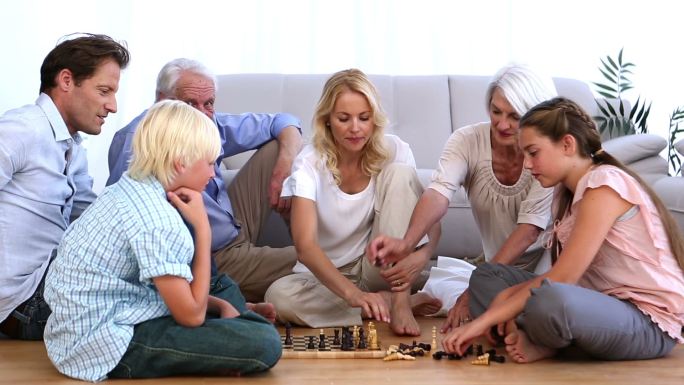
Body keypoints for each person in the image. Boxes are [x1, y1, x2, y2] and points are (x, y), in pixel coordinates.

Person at [44, 100, 281, 381]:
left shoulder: (133, 186)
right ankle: (230, 332)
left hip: (93, 322)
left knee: (222, 286)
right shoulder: (157, 220)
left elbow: (152, 288)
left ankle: (231, 321)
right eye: (208, 163)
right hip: (107, 343)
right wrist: (203, 231)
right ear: (180, 162)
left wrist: (219, 305)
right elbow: (191, 317)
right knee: (265, 342)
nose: (212, 173)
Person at [442, 97, 684, 363]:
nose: (527, 165)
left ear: (567, 144)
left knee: (552, 300)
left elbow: (563, 277)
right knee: (486, 276)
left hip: (646, 322)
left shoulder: (604, 185)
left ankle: (543, 338)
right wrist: (503, 299)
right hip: (595, 304)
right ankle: (536, 333)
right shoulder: (563, 192)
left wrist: (484, 319)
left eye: (533, 153)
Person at [367, 64, 558, 332]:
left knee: (528, 310)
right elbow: (438, 193)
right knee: (460, 295)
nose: (502, 124)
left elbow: (528, 231)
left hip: (543, 266)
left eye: (514, 116)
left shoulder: (546, 154)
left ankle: (466, 296)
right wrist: (406, 242)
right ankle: (415, 300)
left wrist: (475, 290)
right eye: (496, 111)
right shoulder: (467, 141)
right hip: (493, 269)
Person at [107, 58, 303, 302]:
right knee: (319, 259)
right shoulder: (136, 143)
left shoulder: (208, 122)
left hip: (231, 224)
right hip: (209, 255)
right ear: (162, 100)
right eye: (190, 104)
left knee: (279, 145)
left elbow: (282, 121)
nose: (201, 114)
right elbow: (125, 225)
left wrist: (284, 167)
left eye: (208, 103)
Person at [264, 69, 441, 336]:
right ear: (327, 121)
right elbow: (306, 247)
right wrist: (354, 296)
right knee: (279, 297)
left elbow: (431, 225)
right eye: (344, 118)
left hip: (379, 268)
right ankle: (384, 303)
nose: (355, 128)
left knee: (399, 173)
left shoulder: (396, 150)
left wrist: (424, 255)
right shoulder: (309, 162)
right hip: (327, 278)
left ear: (374, 120)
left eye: (364, 118)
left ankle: (401, 301)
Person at [0, 33, 130, 340]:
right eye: (104, 90)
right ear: (67, 80)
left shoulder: (71, 146)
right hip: (23, 301)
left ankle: (213, 309)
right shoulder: (22, 130)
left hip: (50, 282)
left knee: (157, 265)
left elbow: (95, 220)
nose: (112, 106)